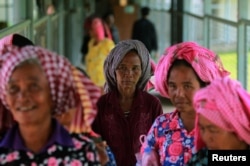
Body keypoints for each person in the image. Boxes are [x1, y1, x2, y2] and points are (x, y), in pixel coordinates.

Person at [0, 45, 101, 165]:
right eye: (14, 88)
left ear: (53, 93)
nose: (22, 97)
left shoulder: (83, 152)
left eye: (33, 86)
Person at [139, 42, 230, 165]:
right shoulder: (161, 125)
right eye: (172, 86)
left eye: (187, 86)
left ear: (204, 87)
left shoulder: (220, 126)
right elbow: (146, 151)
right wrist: (147, 156)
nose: (179, 94)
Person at [92, 39, 163, 166]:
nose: (128, 74)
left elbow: (160, 145)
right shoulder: (101, 105)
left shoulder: (152, 105)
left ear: (143, 71)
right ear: (114, 70)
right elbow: (95, 146)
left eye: (135, 68)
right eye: (122, 68)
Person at [187, 77, 250, 165]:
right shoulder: (201, 160)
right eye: (202, 129)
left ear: (238, 130)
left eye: (213, 130)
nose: (206, 137)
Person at [85, 17, 115, 90]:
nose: (89, 32)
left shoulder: (107, 44)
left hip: (104, 85)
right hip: (91, 83)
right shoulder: (90, 43)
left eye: (91, 30)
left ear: (97, 30)